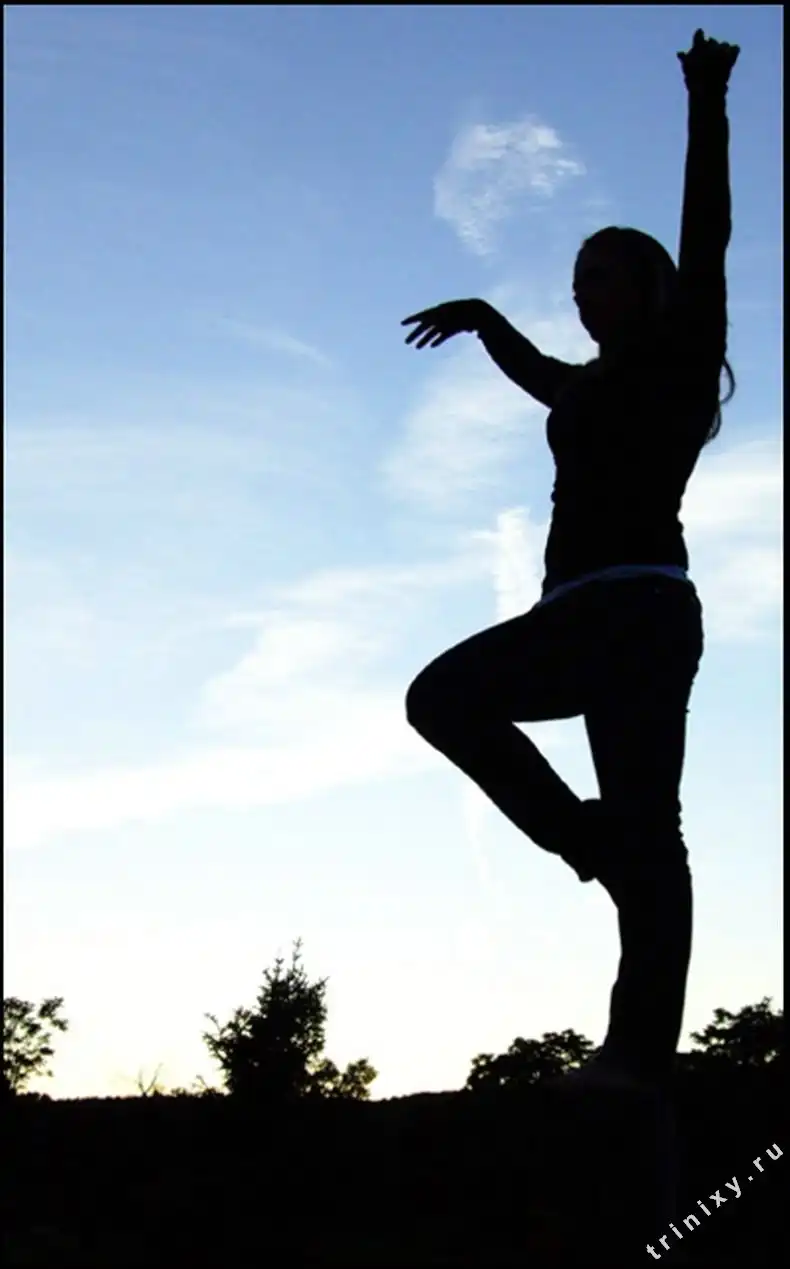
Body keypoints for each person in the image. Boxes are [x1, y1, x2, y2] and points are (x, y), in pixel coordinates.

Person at [400, 30, 740, 1093]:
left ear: (648, 286)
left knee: (651, 829)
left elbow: (708, 233)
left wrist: (705, 99)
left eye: (602, 278)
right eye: (577, 281)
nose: (585, 294)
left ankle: (636, 1053)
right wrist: (484, 319)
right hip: (572, 614)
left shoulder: (680, 357)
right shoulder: (586, 386)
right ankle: (591, 846)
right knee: (442, 700)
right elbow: (539, 372)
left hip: (641, 609)